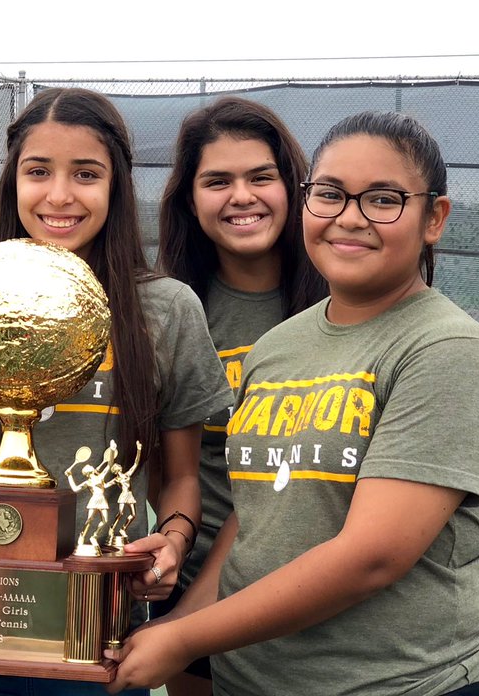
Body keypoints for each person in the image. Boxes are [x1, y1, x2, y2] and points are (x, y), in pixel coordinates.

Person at [109, 111, 479, 696]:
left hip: (396, 682)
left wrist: (184, 641)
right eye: (329, 195)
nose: (349, 218)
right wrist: (179, 626)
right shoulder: (279, 346)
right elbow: (249, 522)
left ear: (435, 218)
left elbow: (372, 557)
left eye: (383, 199)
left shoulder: (446, 350)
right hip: (250, 678)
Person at [0, 87, 232, 696]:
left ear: (116, 185)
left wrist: (173, 543)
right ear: (13, 183)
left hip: (104, 632)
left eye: (86, 174)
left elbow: (182, 475)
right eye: (38, 172)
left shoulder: (165, 310)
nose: (59, 195)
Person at [154, 96, 327, 695]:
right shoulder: (169, 310)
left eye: (261, 177)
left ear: (295, 188)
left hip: (315, 595)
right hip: (193, 589)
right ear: (189, 198)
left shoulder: (346, 298)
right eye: (217, 181)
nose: (242, 197)